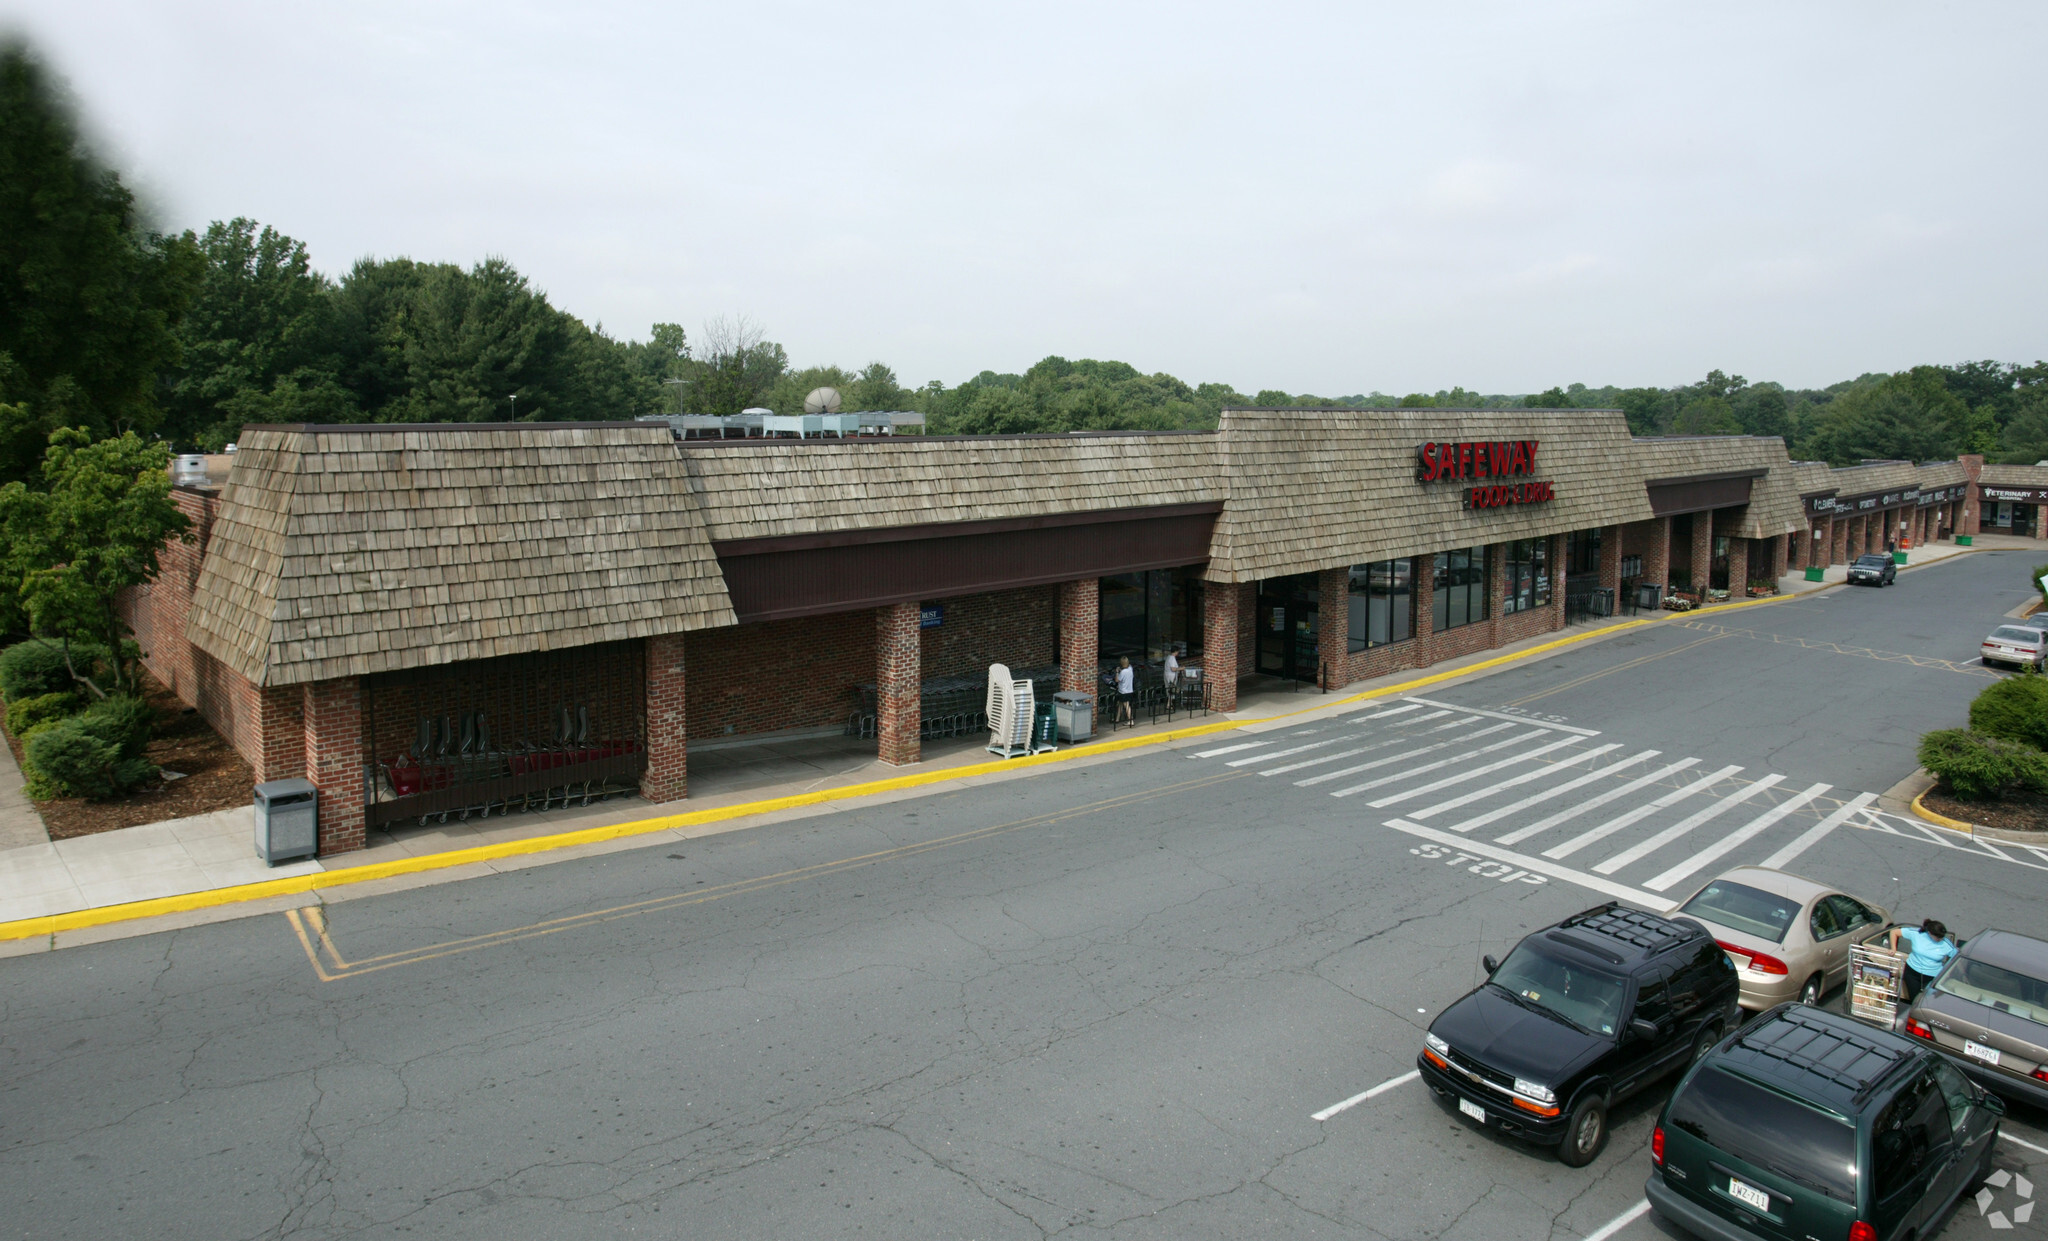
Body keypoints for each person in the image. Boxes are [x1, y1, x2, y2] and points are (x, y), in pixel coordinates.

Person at [1889, 919, 1956, 1003]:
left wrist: (1948, 969)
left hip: (1932, 976)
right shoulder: (1917, 933)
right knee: (1915, 1000)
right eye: (1938, 937)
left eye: (1942, 937)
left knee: (1929, 1001)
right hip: (1912, 973)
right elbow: (1894, 932)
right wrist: (1893, 949)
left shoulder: (1946, 944)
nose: (1940, 939)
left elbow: (1957, 956)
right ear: (1930, 933)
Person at [1115, 656, 1135, 726]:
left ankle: (1131, 720)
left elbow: (1117, 680)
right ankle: (1117, 718)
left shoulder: (1123, 672)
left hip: (1123, 691)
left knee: (1126, 706)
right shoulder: (1130, 669)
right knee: (1120, 704)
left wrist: (1117, 672)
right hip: (1130, 690)